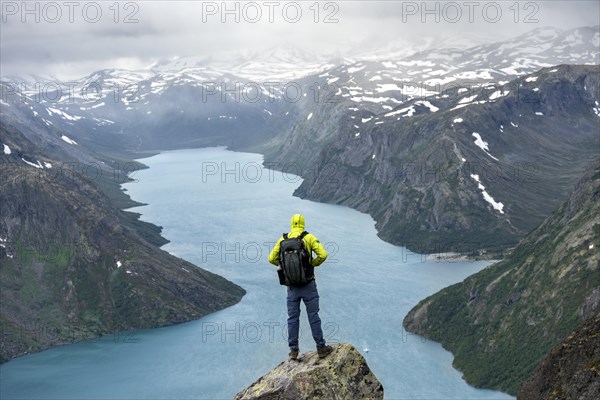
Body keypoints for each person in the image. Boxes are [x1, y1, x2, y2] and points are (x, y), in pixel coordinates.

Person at [268, 214, 333, 361]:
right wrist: (312, 263)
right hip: (308, 284)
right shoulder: (308, 237)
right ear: (303, 223)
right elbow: (323, 254)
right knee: (313, 316)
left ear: (292, 223)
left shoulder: (282, 240)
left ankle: (293, 351)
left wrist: (285, 268)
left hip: (292, 287)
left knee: (292, 318)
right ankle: (321, 348)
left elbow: (271, 258)